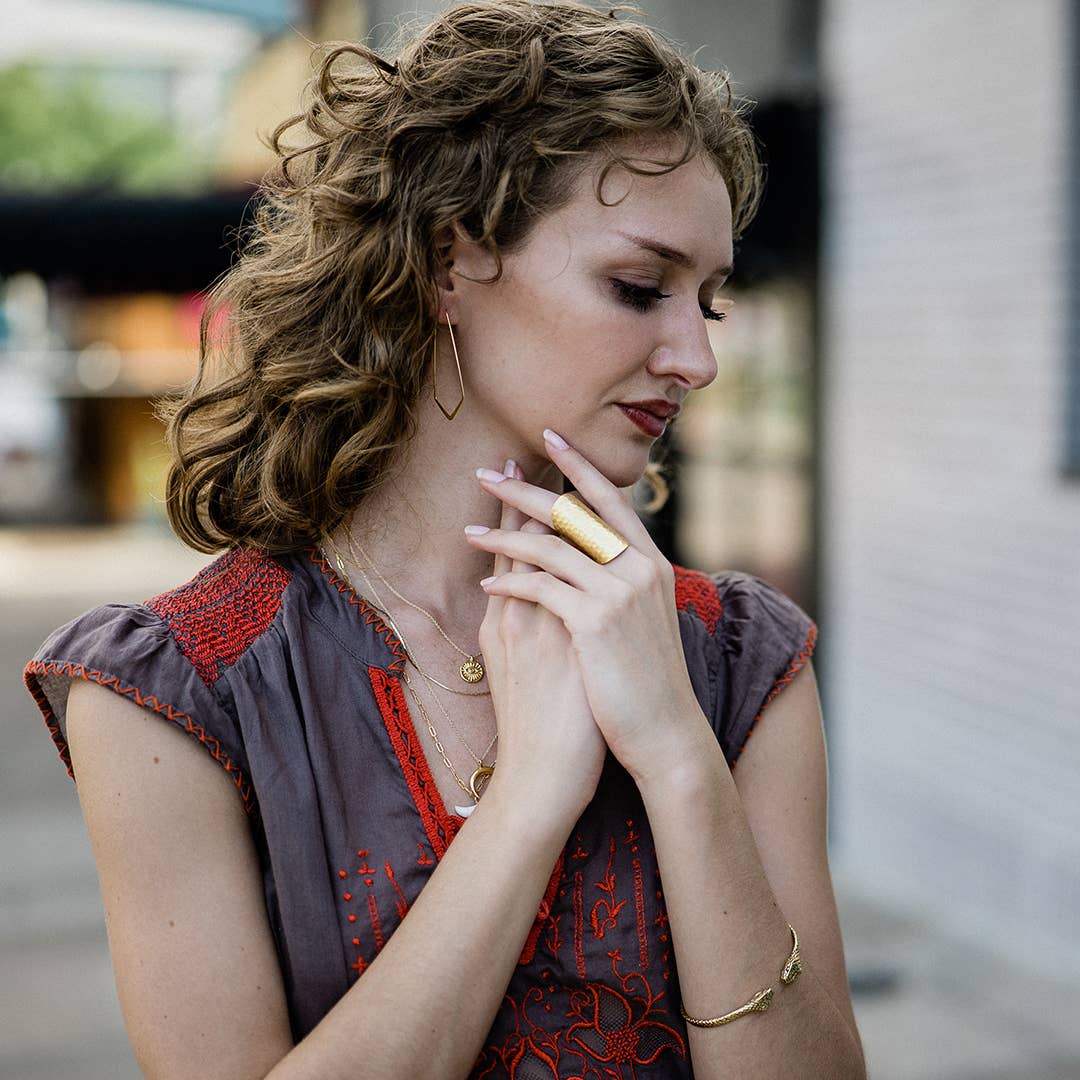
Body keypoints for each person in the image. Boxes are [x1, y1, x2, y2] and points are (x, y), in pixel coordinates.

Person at [24, 2, 865, 1076]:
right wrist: (529, 801)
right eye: (640, 288)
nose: (696, 360)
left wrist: (676, 751)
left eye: (708, 303)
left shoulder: (740, 657)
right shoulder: (178, 691)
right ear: (446, 263)